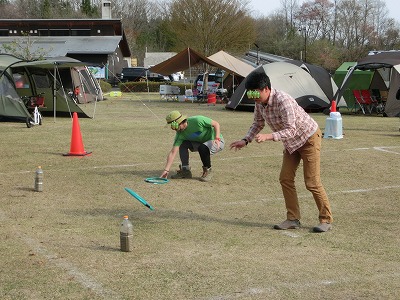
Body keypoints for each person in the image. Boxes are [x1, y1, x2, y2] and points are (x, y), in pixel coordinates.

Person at [229, 72, 333, 232]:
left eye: (255, 92)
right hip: (292, 144)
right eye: (250, 93)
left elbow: (291, 130)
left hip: (308, 138)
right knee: (285, 179)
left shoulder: (283, 101)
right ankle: (293, 219)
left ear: (265, 89)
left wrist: (269, 136)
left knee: (312, 182)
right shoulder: (259, 103)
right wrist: (245, 140)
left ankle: (325, 219)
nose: (253, 97)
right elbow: (257, 123)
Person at [160, 111, 224, 182]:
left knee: (202, 147)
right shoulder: (180, 134)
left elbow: (216, 124)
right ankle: (185, 171)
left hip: (216, 142)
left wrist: (217, 138)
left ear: (179, 122)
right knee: (183, 144)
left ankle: (208, 171)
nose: (173, 128)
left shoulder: (198, 120)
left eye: (174, 125)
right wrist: (166, 170)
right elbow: (173, 153)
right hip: (200, 143)